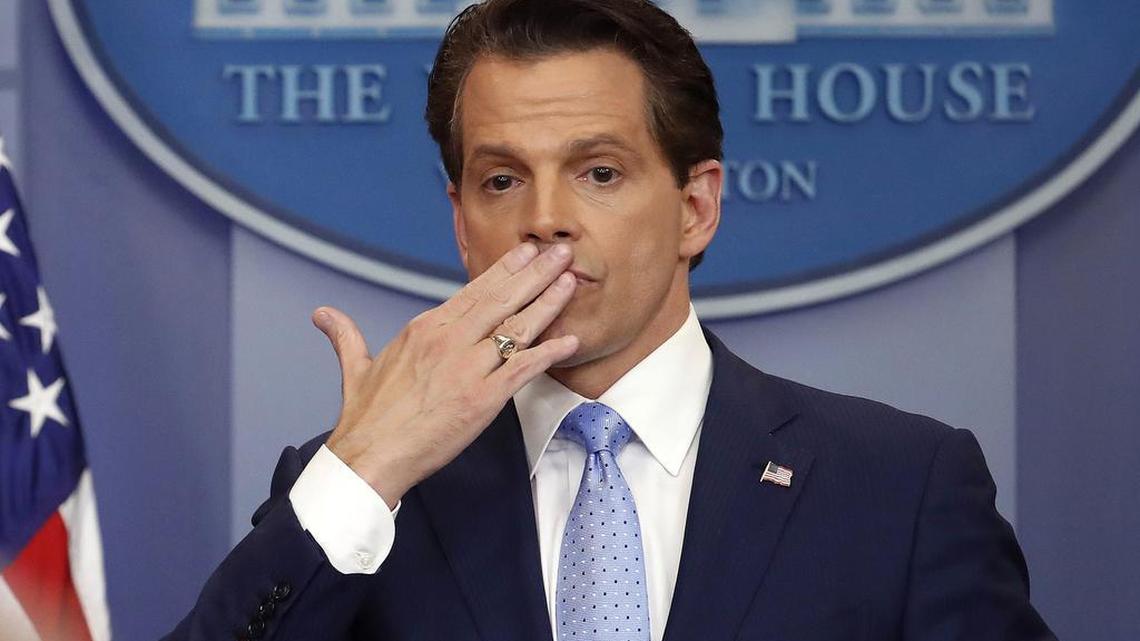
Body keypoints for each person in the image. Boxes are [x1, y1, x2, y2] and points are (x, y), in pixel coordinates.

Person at [166, 1, 1057, 639]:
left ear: (696, 207)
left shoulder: (900, 487)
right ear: (462, 225)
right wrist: (365, 468)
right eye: (502, 179)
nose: (544, 217)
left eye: (598, 171)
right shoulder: (361, 493)